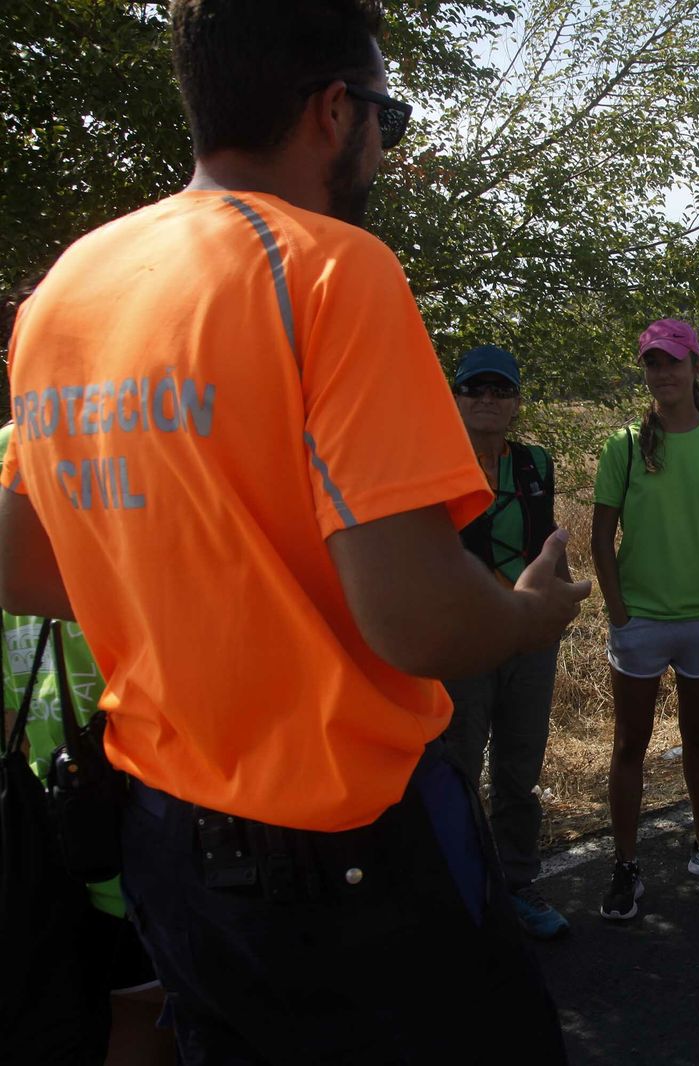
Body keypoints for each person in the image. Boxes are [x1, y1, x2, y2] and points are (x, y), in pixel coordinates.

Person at [0, 3, 588, 1060]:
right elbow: (418, 621)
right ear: (333, 110)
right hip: (344, 850)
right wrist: (527, 612)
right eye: (389, 118)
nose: (383, 144)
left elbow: (25, 562)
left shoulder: (63, 292)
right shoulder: (331, 268)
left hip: (161, 835)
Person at [2, 432, 173, 1066]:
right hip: (136, 807)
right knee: (143, 1008)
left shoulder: (11, 455)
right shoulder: (147, 442)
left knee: (71, 1003)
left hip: (35, 812)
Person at [591, 318, 699, 920]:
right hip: (640, 622)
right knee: (629, 745)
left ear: (695, 366)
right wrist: (618, 613)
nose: (663, 374)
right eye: (652, 364)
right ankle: (625, 864)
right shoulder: (624, 445)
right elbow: (600, 536)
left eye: (673, 362)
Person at [443, 343, 570, 939]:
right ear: (456, 396)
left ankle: (516, 882)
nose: (487, 400)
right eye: (475, 389)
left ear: (517, 401)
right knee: (458, 767)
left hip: (526, 640)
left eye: (500, 390)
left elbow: (548, 544)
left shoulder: (533, 465)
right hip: (464, 640)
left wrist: (554, 612)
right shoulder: (434, 468)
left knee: (520, 769)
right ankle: (461, 892)